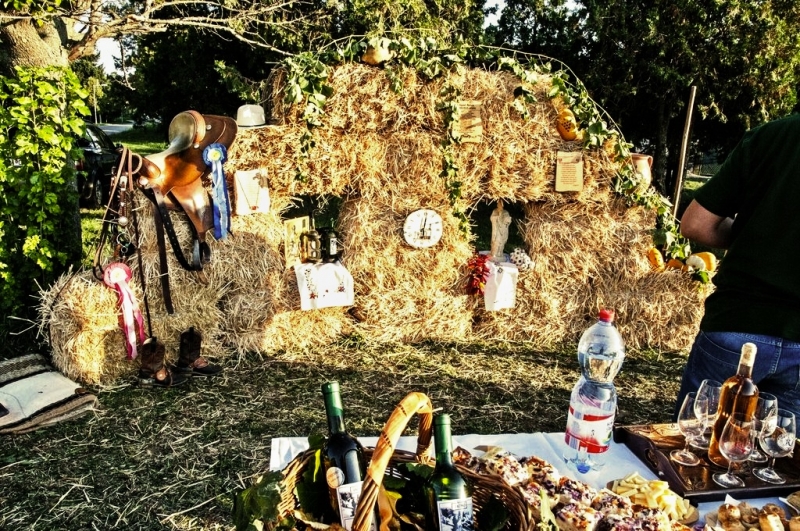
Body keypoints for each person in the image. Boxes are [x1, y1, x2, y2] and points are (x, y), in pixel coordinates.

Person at [674, 113, 800, 420]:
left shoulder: (772, 136)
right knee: (778, 450)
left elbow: (696, 224)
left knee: (695, 440)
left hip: (737, 322)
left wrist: (754, 237)